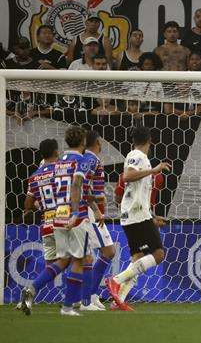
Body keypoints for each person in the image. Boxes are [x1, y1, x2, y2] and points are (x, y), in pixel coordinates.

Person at [105, 126, 171, 310]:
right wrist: (154, 170)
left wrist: (152, 215)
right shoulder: (137, 155)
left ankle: (117, 300)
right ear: (149, 140)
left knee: (137, 258)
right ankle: (116, 280)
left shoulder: (139, 157)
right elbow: (128, 176)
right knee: (158, 254)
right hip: (136, 215)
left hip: (134, 214)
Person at [19, 139, 70, 316]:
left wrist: (35, 207)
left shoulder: (34, 176)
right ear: (56, 152)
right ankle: (75, 300)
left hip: (46, 224)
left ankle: (27, 298)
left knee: (50, 268)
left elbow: (28, 203)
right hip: (62, 220)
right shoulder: (60, 169)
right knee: (68, 260)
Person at [55, 127, 102, 316]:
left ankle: (33, 290)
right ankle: (72, 305)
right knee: (81, 259)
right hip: (78, 215)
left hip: (58, 213)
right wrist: (76, 212)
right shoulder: (82, 160)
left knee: (66, 260)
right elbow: (76, 185)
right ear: (83, 142)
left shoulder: (59, 162)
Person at [79, 130, 115, 311]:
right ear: (96, 143)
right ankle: (86, 297)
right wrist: (97, 207)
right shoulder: (92, 160)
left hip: (86, 210)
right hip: (87, 211)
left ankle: (90, 296)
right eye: (100, 142)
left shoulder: (83, 160)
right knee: (108, 251)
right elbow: (83, 187)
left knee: (91, 255)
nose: (101, 145)